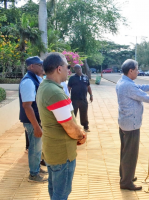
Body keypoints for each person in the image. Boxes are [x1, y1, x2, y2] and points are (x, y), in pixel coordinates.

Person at [36, 52, 86, 200]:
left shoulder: (45, 86)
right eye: (67, 67)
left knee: (54, 190)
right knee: (61, 193)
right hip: (62, 154)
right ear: (59, 69)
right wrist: (81, 136)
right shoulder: (54, 92)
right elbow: (70, 127)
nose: (68, 70)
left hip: (52, 150)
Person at [116, 59, 149, 191]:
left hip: (125, 122)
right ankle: (126, 182)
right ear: (131, 71)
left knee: (125, 151)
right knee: (130, 154)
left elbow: (141, 88)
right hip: (131, 125)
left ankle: (125, 176)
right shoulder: (128, 85)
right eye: (137, 69)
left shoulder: (123, 81)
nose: (138, 71)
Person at [19, 56, 47, 182]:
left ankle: (36, 168)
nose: (42, 68)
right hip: (32, 121)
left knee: (37, 147)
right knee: (34, 148)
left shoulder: (35, 79)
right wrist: (36, 126)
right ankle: (33, 174)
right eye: (39, 65)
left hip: (36, 120)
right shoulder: (28, 81)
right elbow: (27, 106)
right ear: (31, 66)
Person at [68, 64, 93, 132]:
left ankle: (86, 127)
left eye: (79, 68)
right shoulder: (72, 78)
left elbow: (88, 87)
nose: (78, 70)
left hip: (83, 99)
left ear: (81, 69)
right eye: (76, 69)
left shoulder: (85, 77)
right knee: (73, 114)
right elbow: (69, 88)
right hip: (74, 100)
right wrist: (67, 97)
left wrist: (91, 95)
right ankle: (73, 127)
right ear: (75, 70)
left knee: (84, 113)